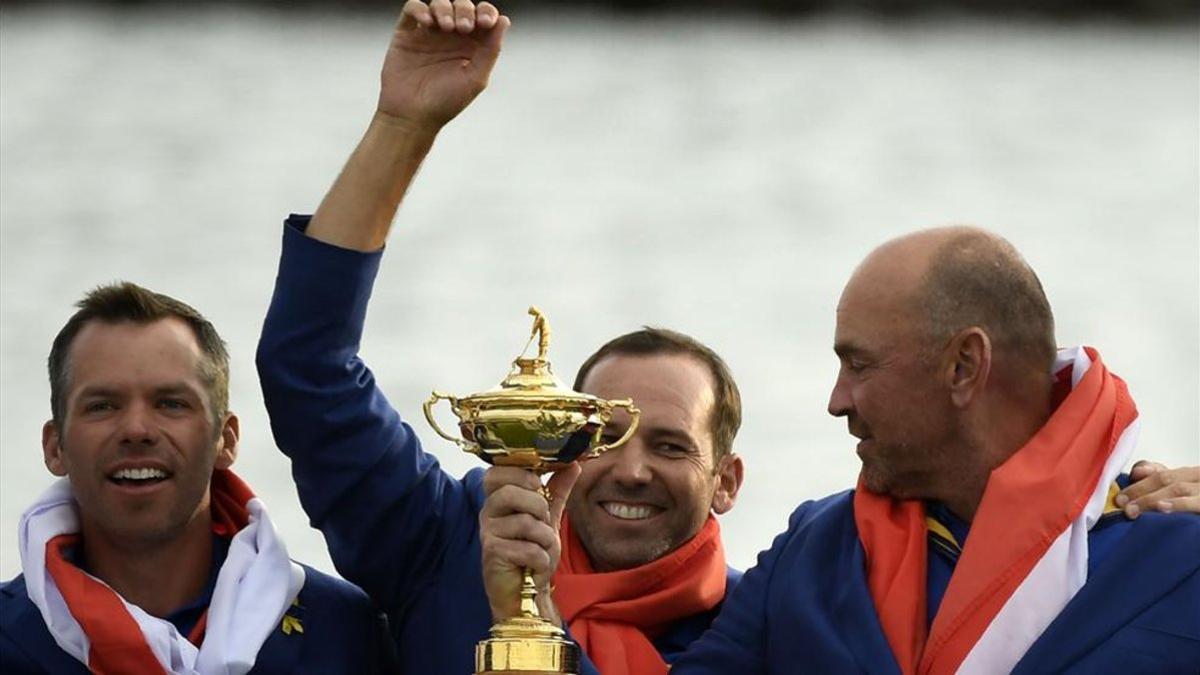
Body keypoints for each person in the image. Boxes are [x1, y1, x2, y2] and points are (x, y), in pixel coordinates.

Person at [255, 3, 1199, 673]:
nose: (628, 468)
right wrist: (402, 125)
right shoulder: (454, 541)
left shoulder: (767, 602)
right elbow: (309, 369)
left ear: (727, 483)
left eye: (670, 443)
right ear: (561, 444)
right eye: (604, 432)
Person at [667, 227, 1200, 673]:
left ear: (964, 366)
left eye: (859, 365)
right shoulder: (813, 549)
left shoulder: (1180, 559)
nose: (836, 401)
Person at [0, 283, 393, 674]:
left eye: (171, 403)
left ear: (226, 438)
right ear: (55, 446)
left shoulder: (345, 634)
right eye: (102, 406)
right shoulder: (10, 639)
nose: (137, 429)